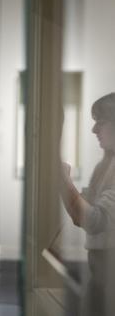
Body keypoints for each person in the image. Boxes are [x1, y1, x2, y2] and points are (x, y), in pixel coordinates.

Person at [61, 92, 115, 316]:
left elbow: (95, 221)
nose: (94, 130)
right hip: (101, 271)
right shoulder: (106, 164)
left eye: (100, 123)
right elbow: (81, 215)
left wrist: (64, 181)